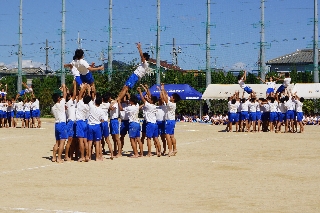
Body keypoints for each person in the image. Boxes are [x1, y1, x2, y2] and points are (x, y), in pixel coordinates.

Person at [137, 86, 161, 157]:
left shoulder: (149, 105)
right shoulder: (153, 105)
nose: (148, 98)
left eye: (150, 98)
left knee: (149, 139)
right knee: (156, 138)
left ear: (152, 101)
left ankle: (149, 153)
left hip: (150, 124)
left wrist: (140, 91)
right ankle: (159, 151)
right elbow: (149, 96)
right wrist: (146, 89)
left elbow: (143, 98)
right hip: (155, 123)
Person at [160, 83, 181, 157]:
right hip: (172, 121)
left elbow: (165, 99)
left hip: (169, 121)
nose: (170, 96)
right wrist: (163, 88)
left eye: (172, 96)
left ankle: (170, 150)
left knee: (167, 136)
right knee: (172, 136)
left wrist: (162, 89)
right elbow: (166, 95)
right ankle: (175, 149)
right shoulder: (173, 103)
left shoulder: (171, 104)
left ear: (174, 99)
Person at [51, 84, 68, 163]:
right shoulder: (61, 104)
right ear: (58, 98)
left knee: (57, 142)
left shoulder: (53, 107)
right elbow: (65, 95)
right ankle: (59, 158)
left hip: (57, 124)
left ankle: (54, 157)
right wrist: (64, 87)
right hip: (62, 124)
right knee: (62, 142)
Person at [75, 84, 91, 162]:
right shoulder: (88, 106)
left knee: (81, 141)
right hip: (85, 122)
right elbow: (89, 98)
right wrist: (88, 90)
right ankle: (87, 155)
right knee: (85, 140)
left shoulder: (80, 103)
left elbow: (80, 95)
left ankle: (82, 156)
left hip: (80, 122)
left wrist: (83, 87)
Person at [64, 80, 77, 161]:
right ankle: (66, 156)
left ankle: (71, 155)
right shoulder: (69, 103)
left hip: (73, 122)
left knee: (73, 141)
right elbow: (74, 94)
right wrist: (75, 85)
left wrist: (72, 86)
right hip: (71, 122)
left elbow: (72, 93)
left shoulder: (68, 103)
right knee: (70, 140)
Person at [100, 93, 114, 159]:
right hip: (105, 122)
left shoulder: (99, 104)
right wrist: (111, 100)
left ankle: (100, 154)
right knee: (107, 139)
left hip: (100, 122)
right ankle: (111, 154)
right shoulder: (108, 104)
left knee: (99, 140)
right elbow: (112, 108)